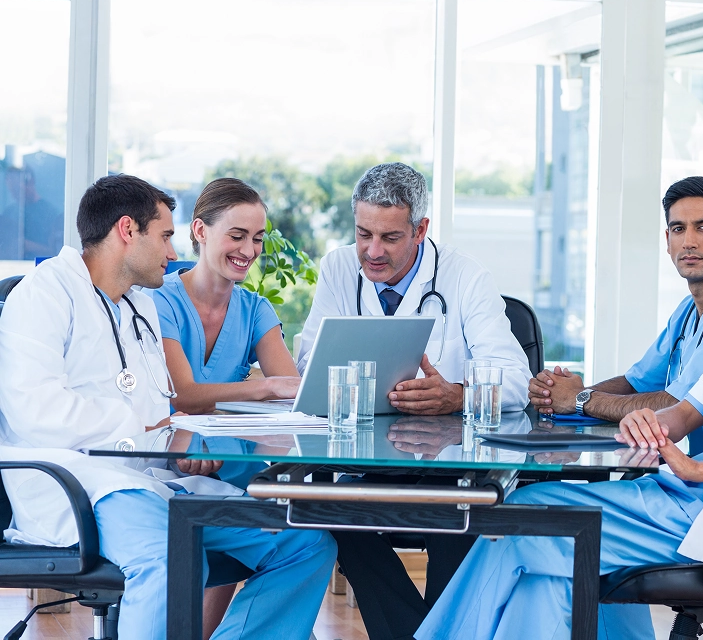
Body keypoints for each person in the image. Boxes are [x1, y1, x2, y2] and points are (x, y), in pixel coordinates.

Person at [415, 174, 703, 640]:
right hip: (691, 495)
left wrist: (698, 470)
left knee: (526, 518)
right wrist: (648, 423)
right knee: (550, 574)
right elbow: (687, 410)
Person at [0, 174, 335, 640]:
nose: (173, 253)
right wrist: (144, 428)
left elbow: (161, 409)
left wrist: (181, 449)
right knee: (171, 557)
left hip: (149, 481)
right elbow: (35, 409)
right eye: (164, 236)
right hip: (80, 485)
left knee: (305, 543)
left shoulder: (140, 307)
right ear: (127, 230)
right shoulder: (44, 293)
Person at [296, 162, 532, 640]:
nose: (372, 251)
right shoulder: (338, 268)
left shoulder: (466, 277)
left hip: (451, 461)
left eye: (390, 238)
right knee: (328, 509)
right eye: (363, 234)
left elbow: (516, 379)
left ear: (420, 230)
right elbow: (308, 361)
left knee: (457, 514)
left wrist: (455, 395)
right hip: (366, 457)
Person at [151, 177, 302, 637]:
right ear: (200, 231)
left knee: (312, 540)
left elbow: (291, 393)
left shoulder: (254, 309)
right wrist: (260, 388)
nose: (249, 250)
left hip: (236, 469)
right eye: (237, 236)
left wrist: (274, 388)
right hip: (167, 464)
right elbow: (182, 393)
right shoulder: (159, 301)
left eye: (257, 238)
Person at [530, 177, 703, 454]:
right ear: (668, 241)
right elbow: (636, 384)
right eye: (678, 229)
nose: (689, 242)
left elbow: (676, 404)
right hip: (695, 468)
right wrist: (559, 395)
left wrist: (579, 399)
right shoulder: (687, 310)